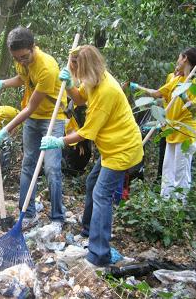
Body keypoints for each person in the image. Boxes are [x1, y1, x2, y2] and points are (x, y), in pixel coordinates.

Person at [40, 45, 144, 267]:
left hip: (122, 149)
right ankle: (88, 231)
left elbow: (87, 132)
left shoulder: (107, 91)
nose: (76, 75)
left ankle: (99, 254)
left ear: (85, 67)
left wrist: (59, 141)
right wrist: (69, 86)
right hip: (110, 147)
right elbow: (79, 99)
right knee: (92, 183)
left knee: (102, 194)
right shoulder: (93, 79)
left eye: (75, 70)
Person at [0, 27, 67, 231]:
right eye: (16, 58)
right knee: (28, 165)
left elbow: (30, 107)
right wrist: (0, 83)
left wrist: (6, 130)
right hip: (32, 120)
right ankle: (28, 213)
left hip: (52, 119)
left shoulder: (47, 68)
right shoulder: (21, 58)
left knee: (51, 169)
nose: (20, 61)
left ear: (33, 47)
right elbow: (23, 78)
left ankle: (58, 218)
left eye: (24, 57)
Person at [130, 47, 196, 203]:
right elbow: (157, 93)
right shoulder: (176, 79)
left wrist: (184, 96)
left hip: (186, 132)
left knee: (180, 173)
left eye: (179, 57)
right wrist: (137, 87)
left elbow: (194, 108)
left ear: (184, 58)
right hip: (171, 131)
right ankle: (164, 204)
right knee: (167, 170)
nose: (177, 61)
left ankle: (179, 207)